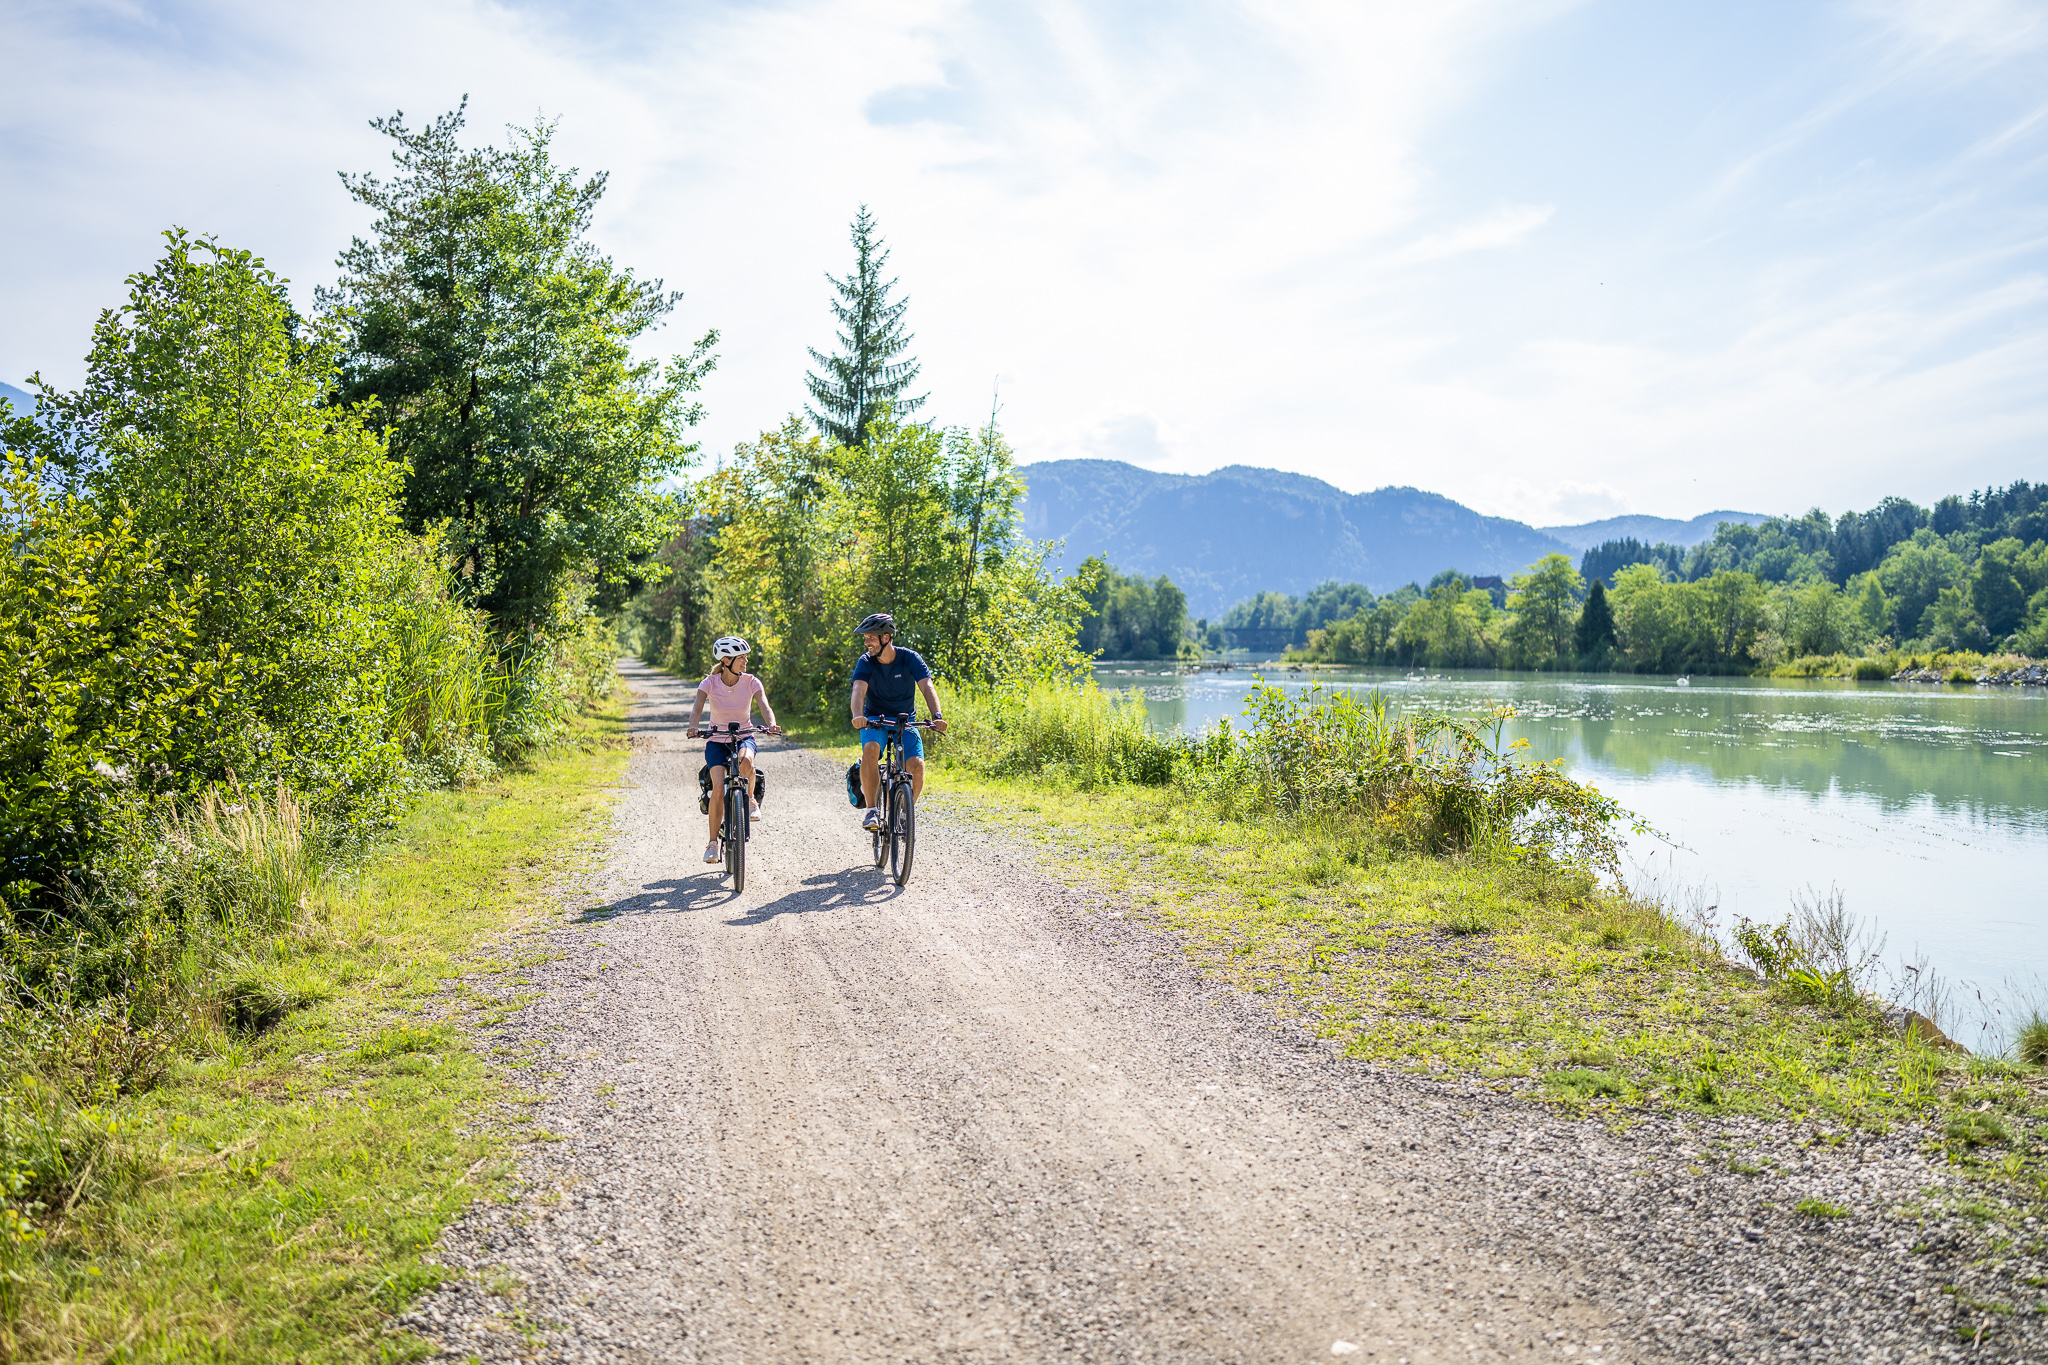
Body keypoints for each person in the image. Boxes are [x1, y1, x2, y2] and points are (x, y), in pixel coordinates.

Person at [849, 613, 947, 831]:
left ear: (886, 637)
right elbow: (858, 690)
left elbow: (927, 686)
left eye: (870, 638)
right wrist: (858, 715)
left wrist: (937, 716)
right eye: (865, 639)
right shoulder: (866, 661)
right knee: (871, 749)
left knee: (917, 766)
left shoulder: (909, 658)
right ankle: (872, 811)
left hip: (905, 720)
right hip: (875, 719)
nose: (866, 643)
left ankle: (905, 814)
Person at [690, 636, 780, 864]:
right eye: (741, 658)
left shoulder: (751, 681)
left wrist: (771, 724)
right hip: (716, 741)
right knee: (718, 787)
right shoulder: (709, 683)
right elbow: (697, 707)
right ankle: (712, 844)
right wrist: (693, 726)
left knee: (746, 762)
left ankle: (750, 800)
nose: (746, 661)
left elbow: (764, 705)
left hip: (743, 737)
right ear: (727, 660)